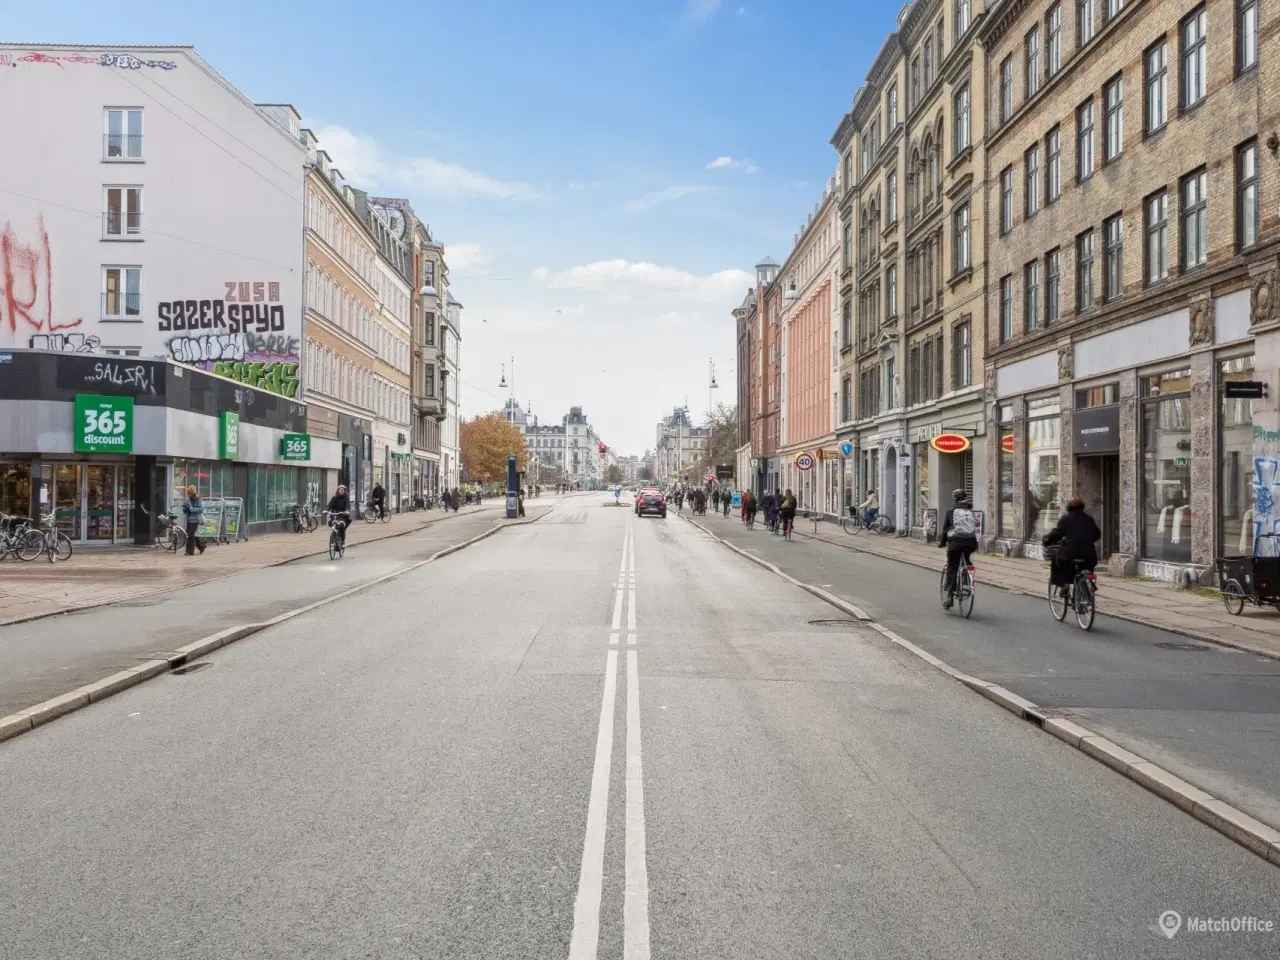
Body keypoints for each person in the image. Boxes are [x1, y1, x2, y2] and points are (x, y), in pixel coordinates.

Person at [1042, 496, 1101, 597]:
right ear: (1082, 507)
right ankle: (1088, 585)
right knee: (1087, 568)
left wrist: (1047, 540)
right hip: (1089, 555)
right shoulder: (1089, 519)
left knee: (1058, 560)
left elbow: (1057, 534)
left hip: (1071, 554)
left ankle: (1064, 583)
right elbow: (1097, 534)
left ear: (1068, 507)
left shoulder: (1065, 519)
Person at [938, 489, 979, 608]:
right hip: (970, 543)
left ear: (955, 499)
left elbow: (945, 531)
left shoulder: (950, 512)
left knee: (952, 567)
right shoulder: (970, 511)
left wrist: (942, 543)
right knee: (966, 559)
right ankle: (967, 578)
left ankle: (950, 597)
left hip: (955, 543)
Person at [182, 485, 206, 556]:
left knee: (190, 535)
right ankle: (201, 546)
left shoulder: (198, 499)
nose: (189, 496)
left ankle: (189, 551)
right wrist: (185, 508)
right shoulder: (187, 500)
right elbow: (184, 510)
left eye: (190, 494)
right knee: (191, 535)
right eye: (188, 494)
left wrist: (192, 509)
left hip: (195, 520)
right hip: (189, 520)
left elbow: (201, 509)